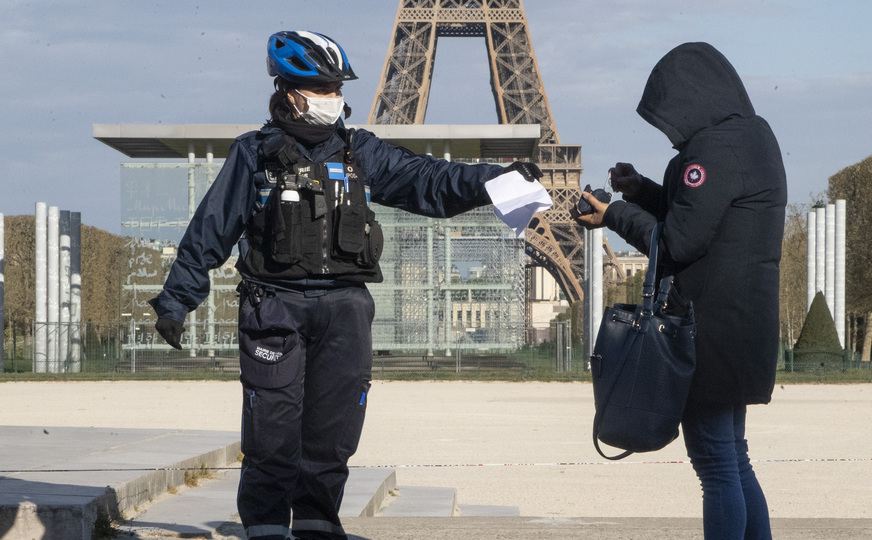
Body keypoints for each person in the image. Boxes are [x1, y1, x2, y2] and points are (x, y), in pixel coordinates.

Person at [149, 30, 541, 540]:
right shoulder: (254, 154)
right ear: (288, 91)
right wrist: (176, 301)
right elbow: (211, 228)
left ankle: (317, 524)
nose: (332, 97)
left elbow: (428, 179)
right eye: (321, 88)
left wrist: (494, 178)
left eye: (336, 88)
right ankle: (266, 527)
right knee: (271, 430)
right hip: (275, 307)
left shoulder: (362, 153)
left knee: (333, 431)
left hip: (346, 309)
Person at [574, 42, 787, 540]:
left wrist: (613, 215)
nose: (670, 131)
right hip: (743, 327)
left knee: (715, 463)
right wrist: (641, 190)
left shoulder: (712, 148)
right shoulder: (753, 136)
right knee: (733, 458)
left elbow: (677, 242)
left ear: (690, 98)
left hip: (709, 330)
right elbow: (703, 212)